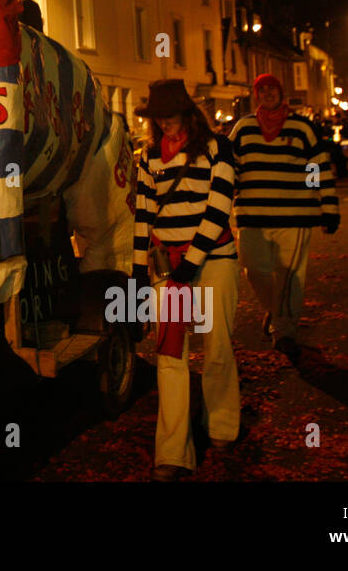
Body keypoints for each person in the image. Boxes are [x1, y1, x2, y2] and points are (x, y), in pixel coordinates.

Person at [132, 79, 238, 481]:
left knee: (217, 348)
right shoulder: (148, 157)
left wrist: (191, 262)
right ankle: (173, 451)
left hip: (214, 261)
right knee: (171, 355)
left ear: (188, 114)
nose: (165, 124)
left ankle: (222, 424)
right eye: (159, 118)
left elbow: (219, 207)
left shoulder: (217, 148)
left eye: (171, 116)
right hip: (170, 268)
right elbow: (143, 214)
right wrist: (140, 271)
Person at [229, 74, 339, 360]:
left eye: (271, 89)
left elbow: (317, 169)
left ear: (281, 93)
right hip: (252, 215)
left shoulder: (302, 128)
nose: (267, 94)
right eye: (261, 90)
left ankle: (285, 332)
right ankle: (276, 311)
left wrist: (326, 207)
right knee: (253, 269)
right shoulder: (243, 129)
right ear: (256, 95)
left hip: (295, 215)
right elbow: (229, 169)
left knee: (289, 276)